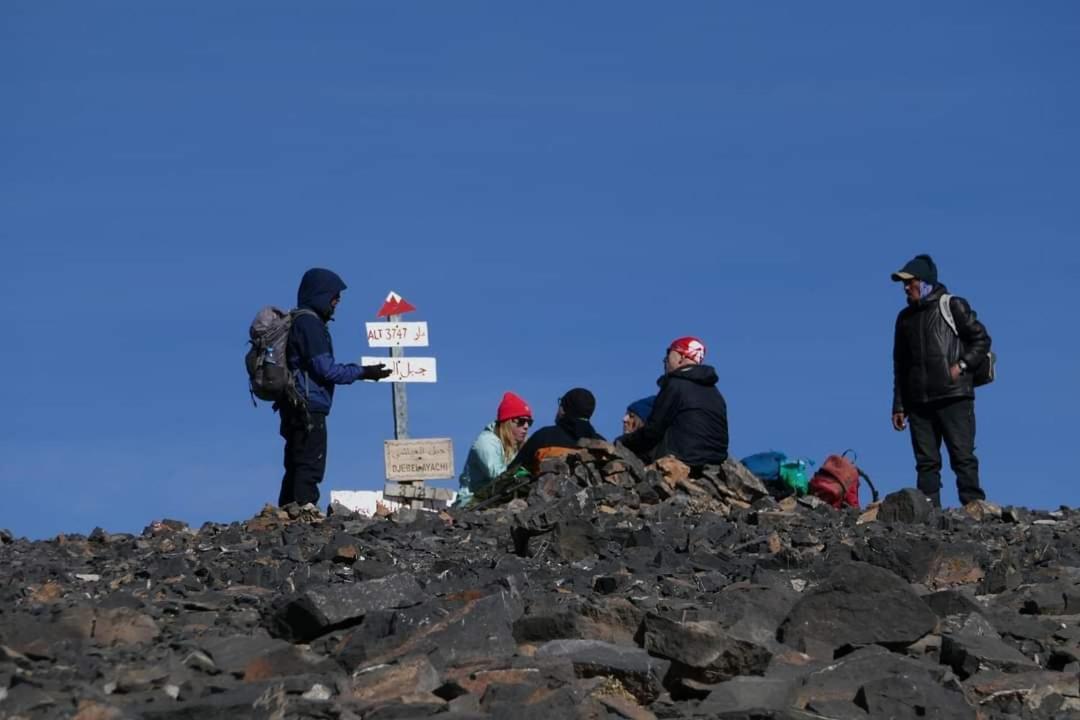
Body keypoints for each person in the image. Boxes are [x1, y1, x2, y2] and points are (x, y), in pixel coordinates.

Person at [278, 268, 392, 507]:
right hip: (308, 404)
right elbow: (326, 369)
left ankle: (288, 512)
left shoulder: (299, 321)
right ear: (320, 294)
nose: (337, 301)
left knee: (296, 462)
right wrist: (364, 372)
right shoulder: (310, 324)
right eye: (334, 296)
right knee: (310, 462)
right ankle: (304, 511)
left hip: (292, 403)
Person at [891, 254, 991, 508]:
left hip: (954, 395)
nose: (905, 288)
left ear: (924, 282)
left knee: (962, 455)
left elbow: (981, 340)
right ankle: (927, 512)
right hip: (918, 402)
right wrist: (899, 406)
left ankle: (973, 507)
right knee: (926, 462)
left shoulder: (953, 305)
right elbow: (900, 365)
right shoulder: (904, 319)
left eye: (909, 282)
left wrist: (962, 366)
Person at [619, 337, 728, 469]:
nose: (664, 362)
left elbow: (652, 431)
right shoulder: (715, 394)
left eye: (668, 355)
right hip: (715, 461)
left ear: (681, 356)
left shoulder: (676, 384)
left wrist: (623, 442)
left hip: (685, 458)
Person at [456, 392, 533, 505]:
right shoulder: (486, 442)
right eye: (521, 421)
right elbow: (499, 476)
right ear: (507, 422)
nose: (526, 426)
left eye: (529, 422)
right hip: (470, 504)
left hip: (495, 500)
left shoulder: (518, 444)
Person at [509, 388, 606, 475]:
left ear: (564, 409)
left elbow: (511, 473)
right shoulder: (602, 446)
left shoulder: (544, 437)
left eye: (561, 404)